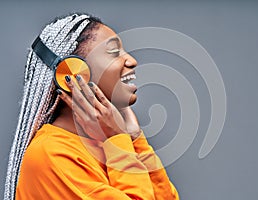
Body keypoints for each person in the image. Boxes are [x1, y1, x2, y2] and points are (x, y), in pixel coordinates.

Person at [4, 13, 179, 199]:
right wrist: (118, 140)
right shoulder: (51, 154)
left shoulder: (105, 145)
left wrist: (136, 140)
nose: (131, 61)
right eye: (113, 52)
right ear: (70, 73)